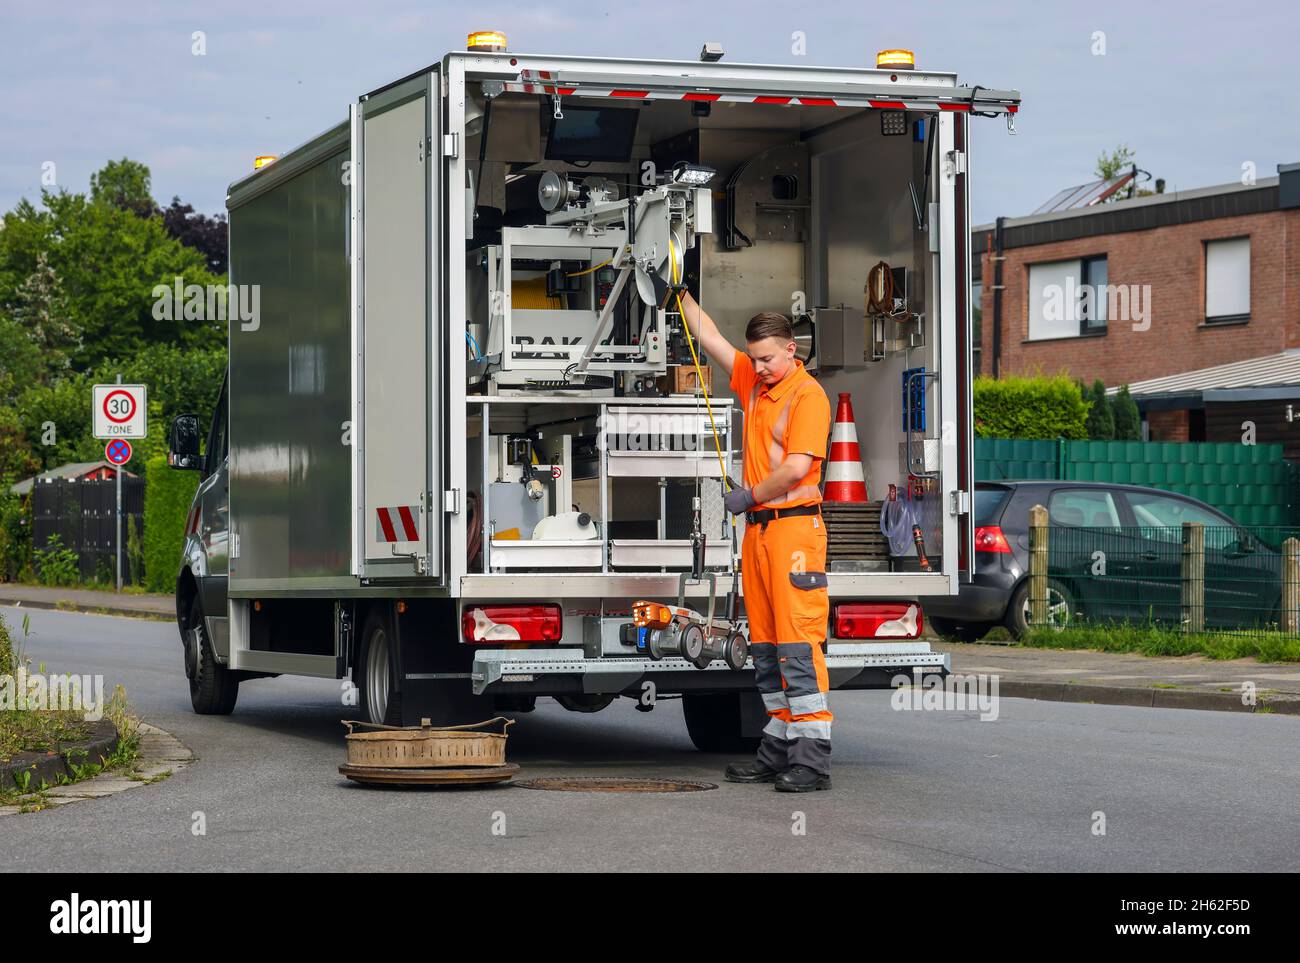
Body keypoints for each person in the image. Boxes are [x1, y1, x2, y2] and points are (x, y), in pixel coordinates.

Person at [678, 291, 834, 792]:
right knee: (765, 647)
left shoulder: (808, 396)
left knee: (798, 647)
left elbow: (794, 468)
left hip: (793, 530)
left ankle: (812, 761)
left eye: (769, 358)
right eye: (756, 359)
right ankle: (777, 749)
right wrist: (678, 291)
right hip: (762, 533)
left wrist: (746, 497)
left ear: (793, 349)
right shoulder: (755, 380)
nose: (760, 367)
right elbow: (710, 338)